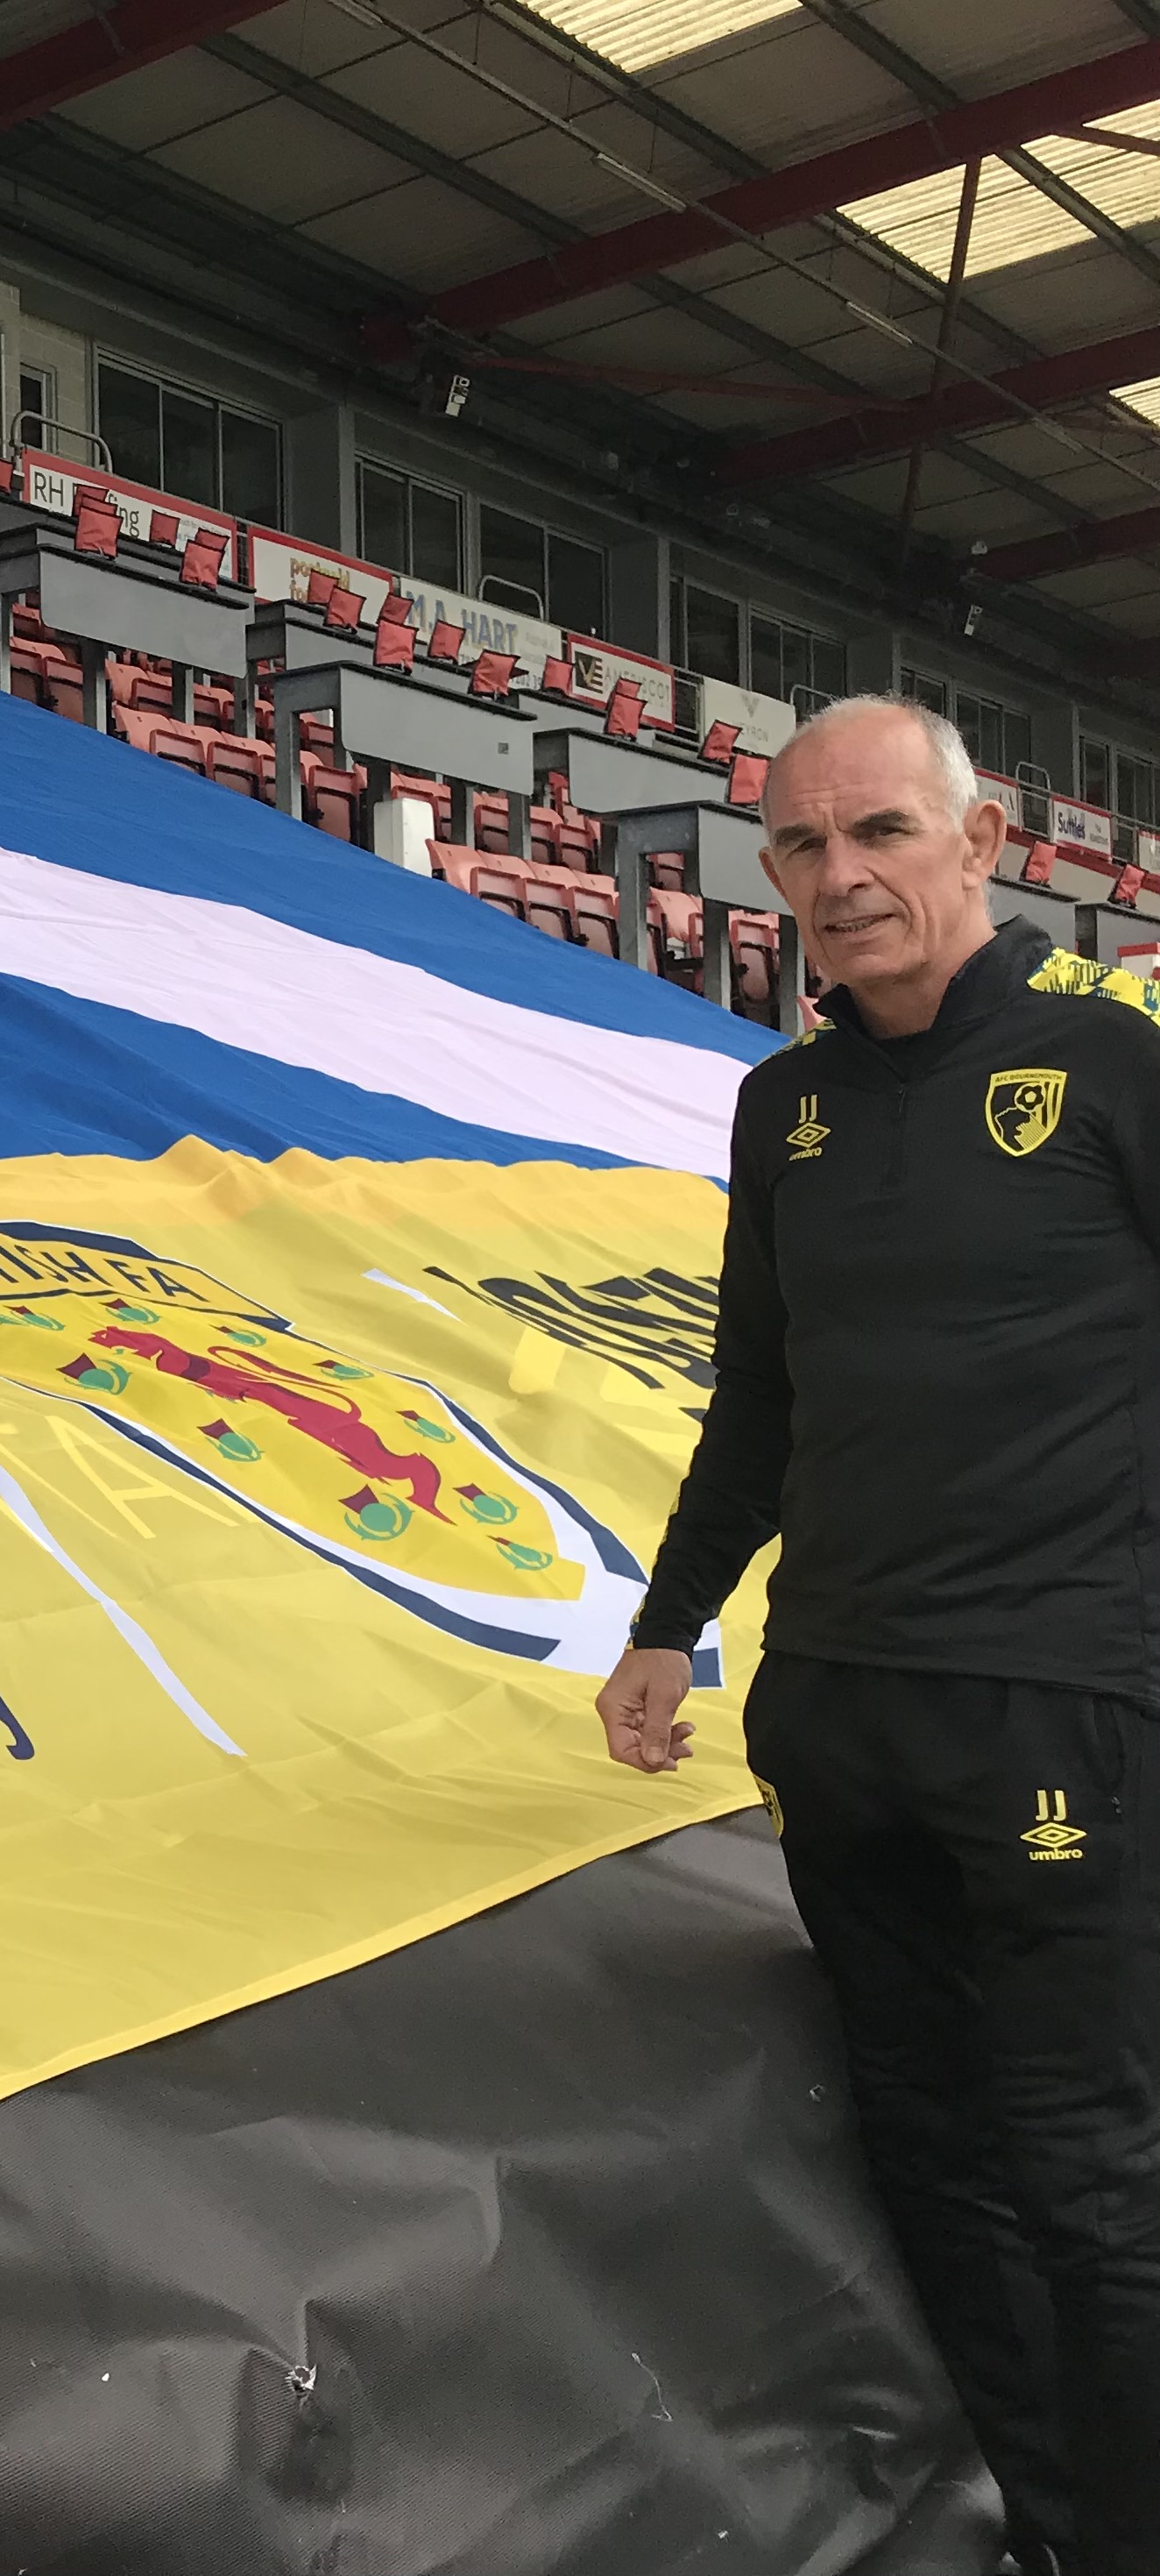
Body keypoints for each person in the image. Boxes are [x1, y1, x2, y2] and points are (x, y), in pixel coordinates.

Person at [597, 696, 1160, 2576]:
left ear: (984, 841)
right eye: (800, 848)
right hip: (833, 1714)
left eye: (881, 836)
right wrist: (669, 1626)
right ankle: (1057, 2526)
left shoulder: (1115, 1066)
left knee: (1089, 2174)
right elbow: (757, 1393)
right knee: (930, 2152)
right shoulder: (786, 1107)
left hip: (1058, 1714)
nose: (840, 881)